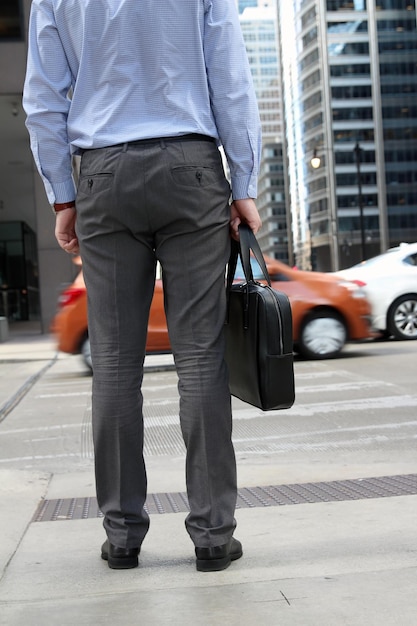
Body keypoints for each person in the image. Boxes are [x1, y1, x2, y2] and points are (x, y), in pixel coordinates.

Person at [23, 0, 262, 573]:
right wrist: (244, 181)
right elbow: (229, 76)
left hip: (102, 174)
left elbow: (43, 99)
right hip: (192, 167)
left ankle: (123, 534)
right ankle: (211, 534)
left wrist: (62, 193)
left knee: (113, 362)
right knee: (201, 358)